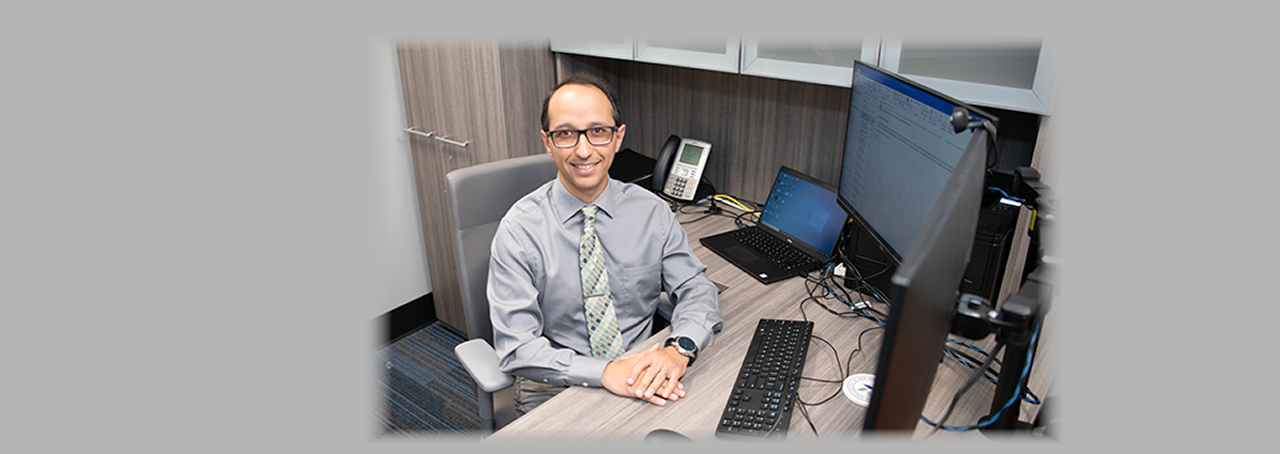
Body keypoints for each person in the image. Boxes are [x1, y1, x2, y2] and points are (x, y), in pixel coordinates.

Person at [487, 72, 723, 417]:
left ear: (618, 137)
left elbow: (696, 288)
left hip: (644, 370)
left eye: (598, 131)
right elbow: (518, 348)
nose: (584, 151)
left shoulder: (652, 213)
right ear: (547, 142)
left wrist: (679, 348)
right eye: (566, 134)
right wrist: (606, 372)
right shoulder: (519, 230)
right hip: (557, 384)